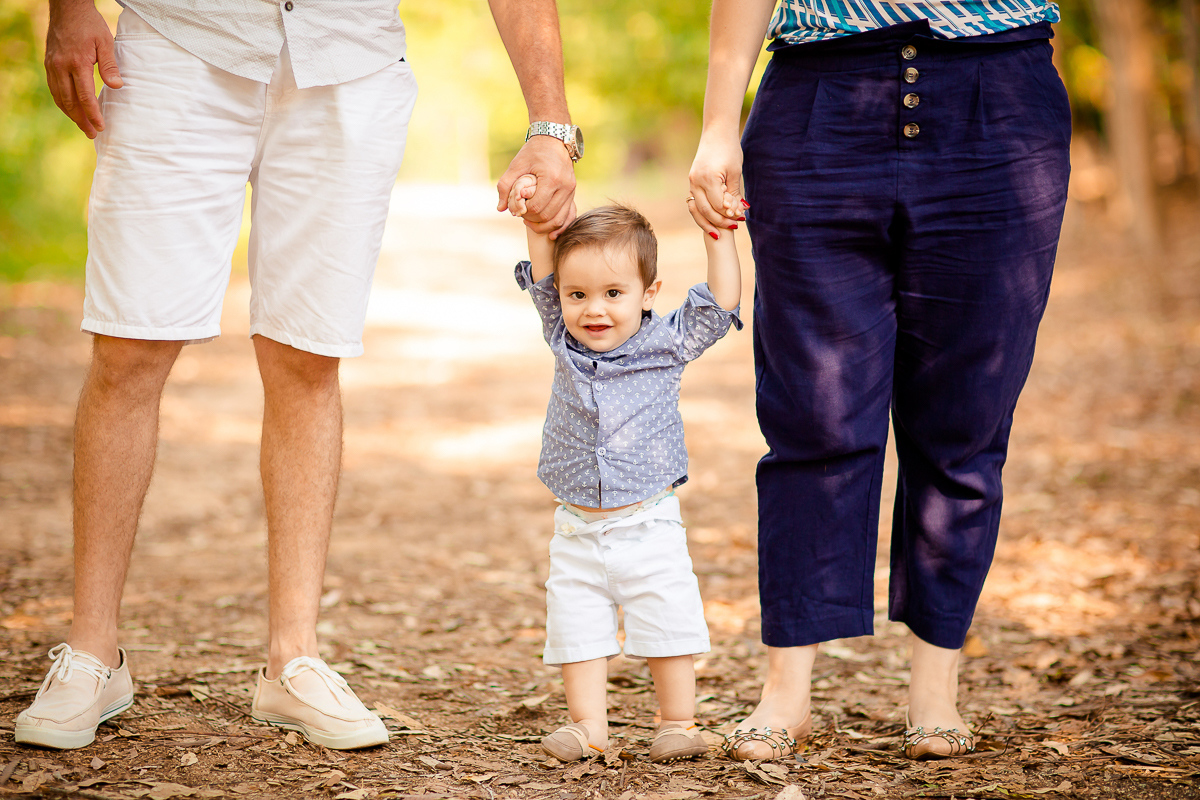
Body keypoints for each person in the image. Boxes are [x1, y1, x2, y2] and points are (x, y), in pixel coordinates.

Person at [16, 0, 581, 751]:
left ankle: (293, 658)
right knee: (129, 347)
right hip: (177, 42)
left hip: (350, 57)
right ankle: (92, 652)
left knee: (308, 356)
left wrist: (550, 123)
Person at [687, 0, 1070, 761]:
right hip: (817, 94)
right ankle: (786, 693)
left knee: (966, 422)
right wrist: (717, 123)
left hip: (997, 95)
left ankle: (935, 693)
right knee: (811, 413)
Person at [507, 178, 743, 763]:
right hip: (577, 526)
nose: (593, 309)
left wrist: (718, 235)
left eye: (614, 292)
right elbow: (541, 272)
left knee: (667, 618)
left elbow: (724, 302)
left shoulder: (667, 341)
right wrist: (538, 221)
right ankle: (588, 727)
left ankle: (678, 723)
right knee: (576, 625)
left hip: (648, 520)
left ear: (647, 291)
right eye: (577, 293)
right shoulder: (562, 337)